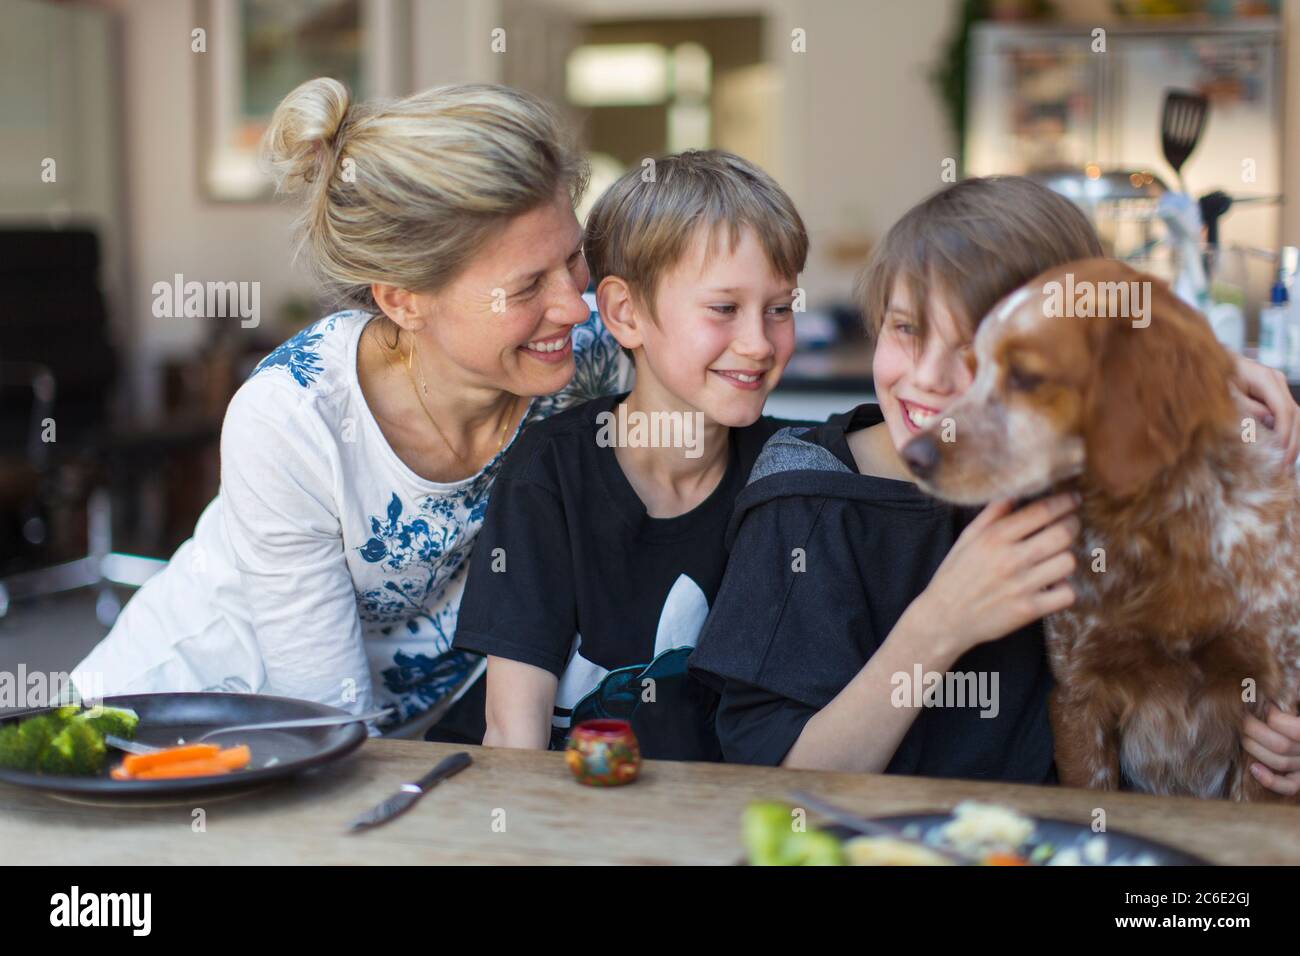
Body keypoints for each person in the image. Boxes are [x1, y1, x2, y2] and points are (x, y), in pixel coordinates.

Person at [689, 175, 1300, 789]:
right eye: (906, 328)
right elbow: (776, 783)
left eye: (979, 352)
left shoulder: (1077, 475)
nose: (929, 378)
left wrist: (1211, 374)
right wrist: (941, 624)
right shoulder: (806, 502)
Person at [73, 79, 627, 735]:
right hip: (180, 723)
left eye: (573, 257)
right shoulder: (294, 418)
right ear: (402, 300)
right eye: (528, 285)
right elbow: (331, 722)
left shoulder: (583, 354)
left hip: (396, 739)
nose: (572, 305)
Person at [449, 151, 807, 759]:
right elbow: (513, 737)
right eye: (724, 309)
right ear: (625, 313)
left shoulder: (793, 473)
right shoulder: (551, 474)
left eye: (779, 309)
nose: (758, 343)